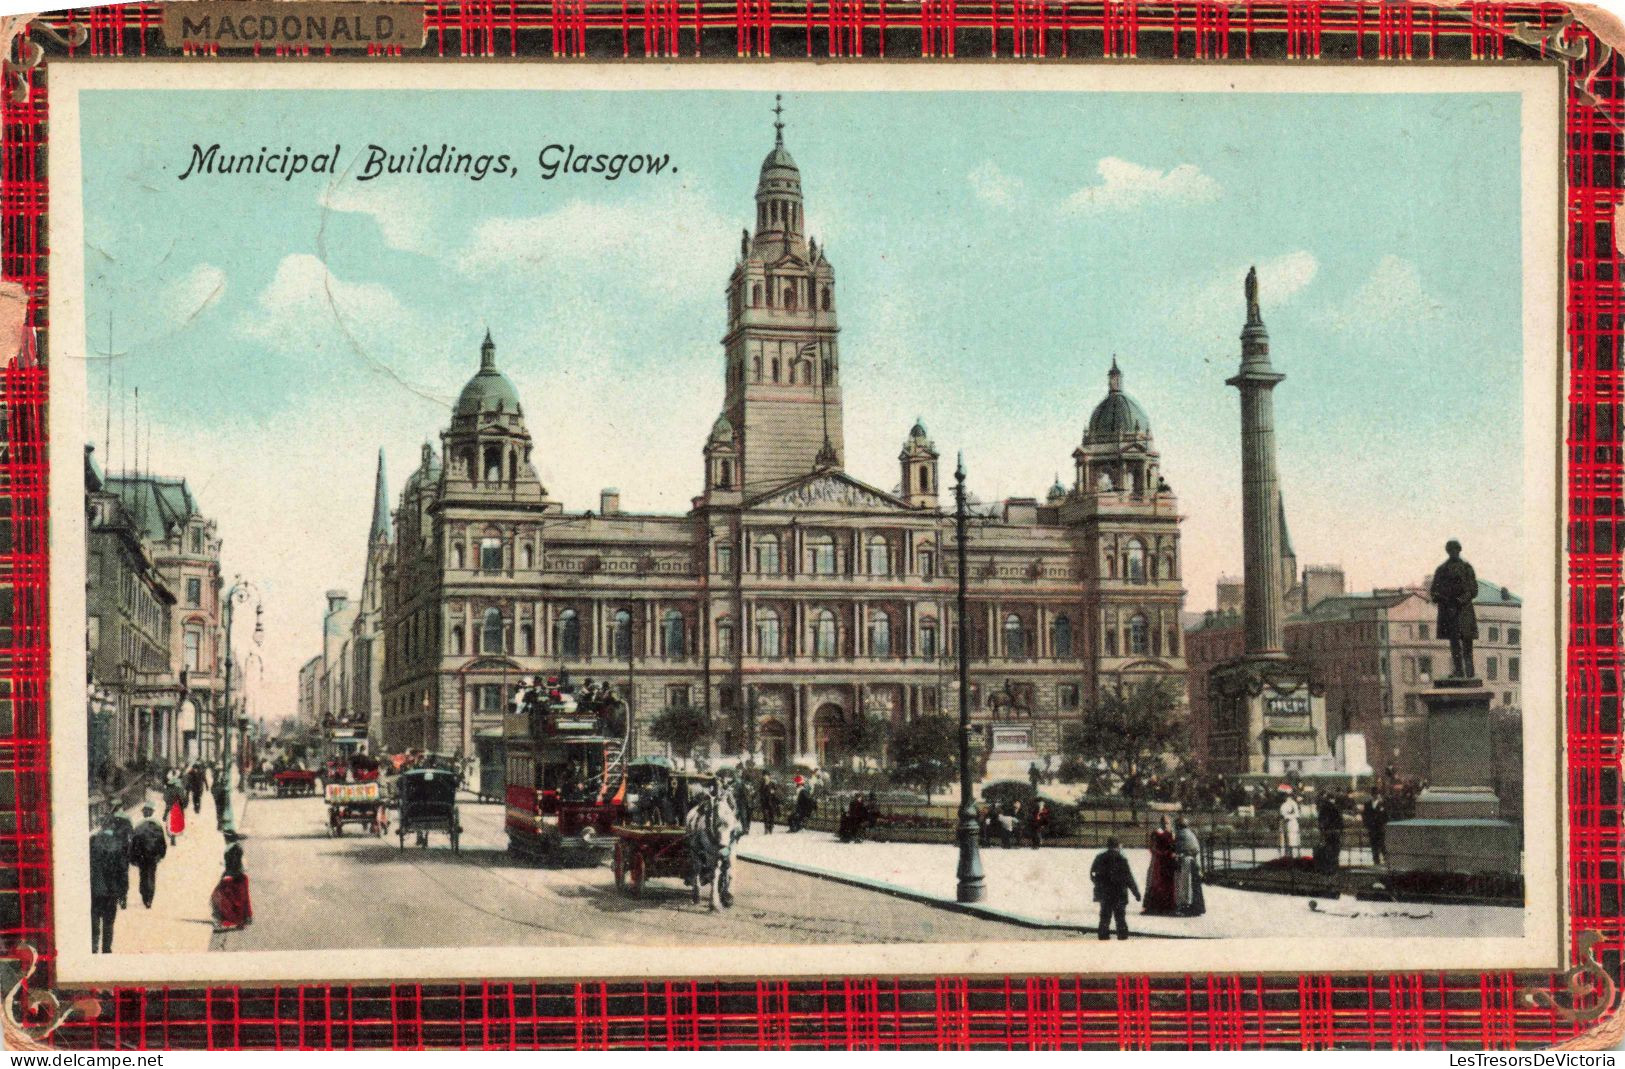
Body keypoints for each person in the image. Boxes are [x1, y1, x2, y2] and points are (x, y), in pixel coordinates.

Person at [1430, 539, 1479, 679]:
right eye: (1450, 550)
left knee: (1467, 643)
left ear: (1459, 550)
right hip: (1449, 611)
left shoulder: (1466, 568)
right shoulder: (1441, 570)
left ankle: (1470, 673)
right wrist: (1442, 599)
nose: (1453, 552)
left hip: (1464, 611)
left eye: (1455, 549)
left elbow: (1474, 590)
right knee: (1454, 643)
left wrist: (1461, 600)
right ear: (1447, 551)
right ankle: (1459, 671)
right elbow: (1434, 591)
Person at [1089, 836, 1141, 940]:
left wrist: (1098, 884)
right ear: (1118, 846)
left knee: (1104, 917)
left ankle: (1103, 938)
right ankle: (1122, 938)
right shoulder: (1121, 859)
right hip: (1119, 894)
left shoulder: (1099, 858)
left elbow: (1092, 873)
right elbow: (1129, 878)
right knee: (1120, 918)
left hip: (1105, 893)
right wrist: (1136, 893)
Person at [89, 819, 127, 953]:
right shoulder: (118, 844)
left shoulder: (92, 842)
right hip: (112, 891)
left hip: (95, 890)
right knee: (109, 922)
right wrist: (123, 895)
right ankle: (106, 949)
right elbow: (123, 872)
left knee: (94, 918)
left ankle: (93, 945)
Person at [210, 831, 253, 931]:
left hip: (233, 877)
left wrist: (228, 875)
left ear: (228, 839)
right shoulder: (235, 848)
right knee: (240, 900)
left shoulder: (232, 850)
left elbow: (234, 865)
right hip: (239, 877)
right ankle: (242, 920)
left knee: (221, 897)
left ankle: (225, 920)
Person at [129, 802, 168, 909]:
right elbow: (162, 842)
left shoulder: (138, 826)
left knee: (143, 875)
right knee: (151, 875)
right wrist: (161, 854)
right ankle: (149, 898)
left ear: (144, 813)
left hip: (141, 856)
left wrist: (132, 857)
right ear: (152, 812)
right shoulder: (157, 825)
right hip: (153, 856)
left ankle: (144, 896)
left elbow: (133, 843)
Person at [1143, 815, 1178, 915]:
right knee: (1157, 883)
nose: (1166, 825)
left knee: (1168, 883)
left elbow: (1174, 846)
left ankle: (1168, 906)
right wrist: (1162, 854)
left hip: (1168, 862)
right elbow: (1152, 847)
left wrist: (1173, 854)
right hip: (1159, 861)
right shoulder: (1156, 833)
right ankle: (1155, 906)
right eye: (1164, 823)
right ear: (1161, 823)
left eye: (1168, 823)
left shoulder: (1172, 834)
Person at [1174, 817, 1206, 917]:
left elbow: (1176, 848)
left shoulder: (1181, 834)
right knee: (1194, 886)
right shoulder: (1191, 833)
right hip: (1193, 862)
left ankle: (1187, 908)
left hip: (1186, 862)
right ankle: (1197, 907)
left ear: (1179, 826)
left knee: (1185, 886)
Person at [1316, 795, 1345, 875]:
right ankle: (1334, 867)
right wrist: (1340, 830)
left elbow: (1321, 821)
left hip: (1328, 832)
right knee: (1335, 850)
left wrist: (1322, 830)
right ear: (1332, 799)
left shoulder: (1323, 809)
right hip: (1335, 831)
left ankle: (1328, 868)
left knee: (1328, 850)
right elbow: (1340, 821)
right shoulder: (1336, 808)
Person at [1362, 794, 1389, 865]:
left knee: (1382, 844)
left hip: (1379, 827)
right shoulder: (1367, 804)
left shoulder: (1382, 803)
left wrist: (1384, 824)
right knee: (1373, 844)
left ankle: (1386, 859)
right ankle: (1376, 860)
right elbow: (1365, 815)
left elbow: (1385, 815)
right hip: (1372, 827)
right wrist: (1367, 825)